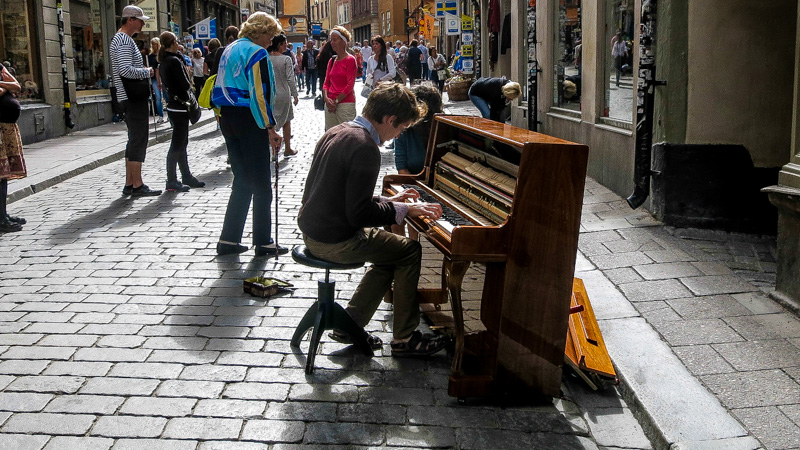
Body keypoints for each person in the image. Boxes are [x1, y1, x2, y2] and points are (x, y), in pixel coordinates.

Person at [297, 83, 448, 357]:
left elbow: (351, 198)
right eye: (401, 128)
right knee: (409, 251)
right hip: (334, 238)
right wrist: (403, 210)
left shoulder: (338, 131)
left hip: (315, 229)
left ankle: (351, 323)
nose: (397, 135)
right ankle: (405, 338)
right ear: (390, 120)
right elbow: (360, 214)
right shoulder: (365, 147)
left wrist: (392, 202)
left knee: (390, 252)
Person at [211, 11, 287, 257]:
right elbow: (260, 93)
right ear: (261, 31)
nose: (271, 40)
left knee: (242, 180)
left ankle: (229, 239)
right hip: (248, 118)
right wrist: (270, 127)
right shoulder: (257, 52)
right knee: (262, 183)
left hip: (228, 117)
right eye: (271, 35)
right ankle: (263, 241)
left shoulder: (229, 48)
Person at [110, 5, 161, 197]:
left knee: (134, 139)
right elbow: (125, 70)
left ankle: (130, 183)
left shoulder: (122, 38)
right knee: (139, 139)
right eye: (140, 20)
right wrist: (147, 71)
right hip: (132, 96)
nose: (143, 23)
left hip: (128, 97)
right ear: (130, 19)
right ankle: (137, 184)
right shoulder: (123, 40)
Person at [158, 31, 204, 193]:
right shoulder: (174, 61)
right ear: (171, 44)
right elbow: (185, 85)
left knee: (181, 142)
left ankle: (186, 176)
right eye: (176, 42)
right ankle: (172, 179)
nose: (178, 44)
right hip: (180, 107)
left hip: (173, 105)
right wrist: (189, 75)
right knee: (178, 143)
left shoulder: (164, 61)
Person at [0, 62, 26, 232]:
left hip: (6, 129)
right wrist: (5, 87)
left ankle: (3, 214)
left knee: (3, 176)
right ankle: (1, 220)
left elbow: (16, 85)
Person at [268, 34, 299, 156]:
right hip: (284, 94)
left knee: (272, 122)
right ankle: (287, 148)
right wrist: (295, 94)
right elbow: (290, 79)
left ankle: (274, 151)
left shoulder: (267, 58)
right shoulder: (286, 59)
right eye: (285, 43)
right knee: (287, 121)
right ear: (279, 44)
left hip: (271, 94)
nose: (287, 45)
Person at [322, 26, 357, 130]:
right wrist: (326, 99)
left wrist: (336, 101)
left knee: (347, 136)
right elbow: (326, 83)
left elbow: (349, 85)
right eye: (331, 40)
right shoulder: (332, 61)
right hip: (330, 104)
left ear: (343, 41)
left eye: (335, 39)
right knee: (331, 135)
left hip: (345, 104)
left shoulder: (350, 60)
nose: (332, 43)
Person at [148, 38, 165, 123]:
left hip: (164, 77)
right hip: (154, 78)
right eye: (152, 44)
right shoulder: (151, 56)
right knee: (158, 97)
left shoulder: (162, 54)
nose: (153, 46)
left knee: (166, 97)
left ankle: (169, 115)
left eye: (155, 44)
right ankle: (161, 115)